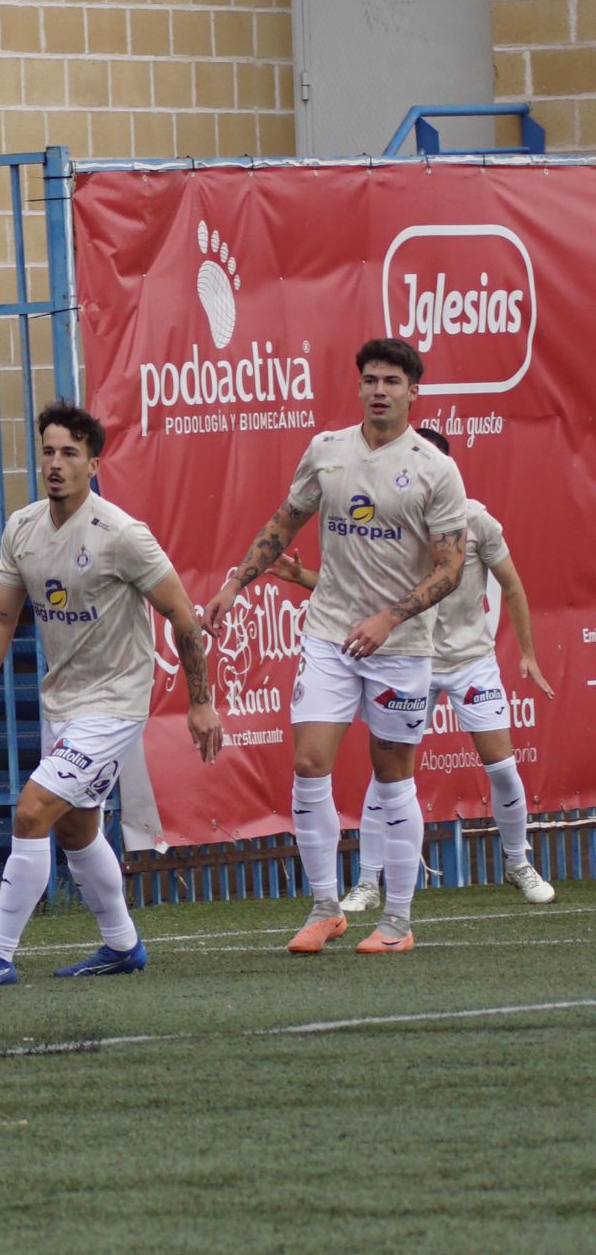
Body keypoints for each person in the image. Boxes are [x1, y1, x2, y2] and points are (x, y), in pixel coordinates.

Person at [201, 339, 468, 955]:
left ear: (413, 392)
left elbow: (451, 567)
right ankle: (325, 907)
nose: (379, 390)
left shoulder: (435, 467)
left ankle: (397, 921)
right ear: (358, 387)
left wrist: (388, 618)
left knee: (392, 773)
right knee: (308, 764)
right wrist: (233, 585)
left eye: (392, 381)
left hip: (401, 646)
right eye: (370, 379)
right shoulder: (326, 450)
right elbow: (283, 525)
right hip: (328, 634)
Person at [0, 402, 220, 987]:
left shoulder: (122, 534)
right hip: (62, 702)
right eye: (48, 451)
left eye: (70, 452)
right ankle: (122, 945)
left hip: (115, 703)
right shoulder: (23, 528)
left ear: (94, 462)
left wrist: (200, 701)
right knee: (75, 829)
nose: (56, 463)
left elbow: (182, 615)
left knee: (32, 811)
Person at [267, 426, 557, 909]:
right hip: (406, 657)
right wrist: (301, 578)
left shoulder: (474, 521)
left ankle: (517, 861)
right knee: (391, 775)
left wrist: (527, 653)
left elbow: (512, 584)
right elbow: (358, 593)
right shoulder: (385, 517)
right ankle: (367, 881)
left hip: (468, 660)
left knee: (502, 767)